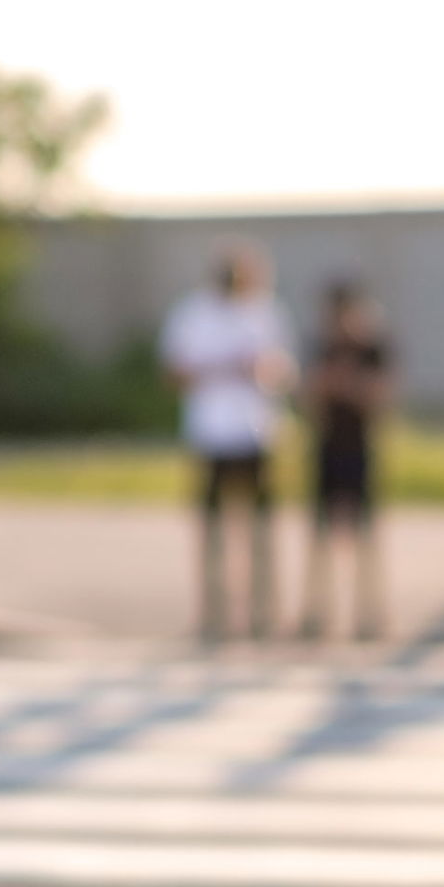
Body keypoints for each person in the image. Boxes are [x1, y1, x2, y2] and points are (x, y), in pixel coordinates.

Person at [161, 241, 297, 642]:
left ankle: (262, 611)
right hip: (210, 432)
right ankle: (213, 612)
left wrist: (261, 369)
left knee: (260, 526)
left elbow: (285, 370)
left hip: (256, 431)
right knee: (213, 527)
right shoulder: (193, 313)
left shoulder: (265, 311)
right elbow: (173, 372)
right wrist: (217, 368)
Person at [300, 278, 395, 641]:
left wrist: (349, 385)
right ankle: (316, 610)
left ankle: (370, 611)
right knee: (320, 535)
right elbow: (310, 395)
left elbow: (382, 396)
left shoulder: (372, 347)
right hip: (326, 448)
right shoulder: (322, 348)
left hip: (360, 449)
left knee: (366, 535)